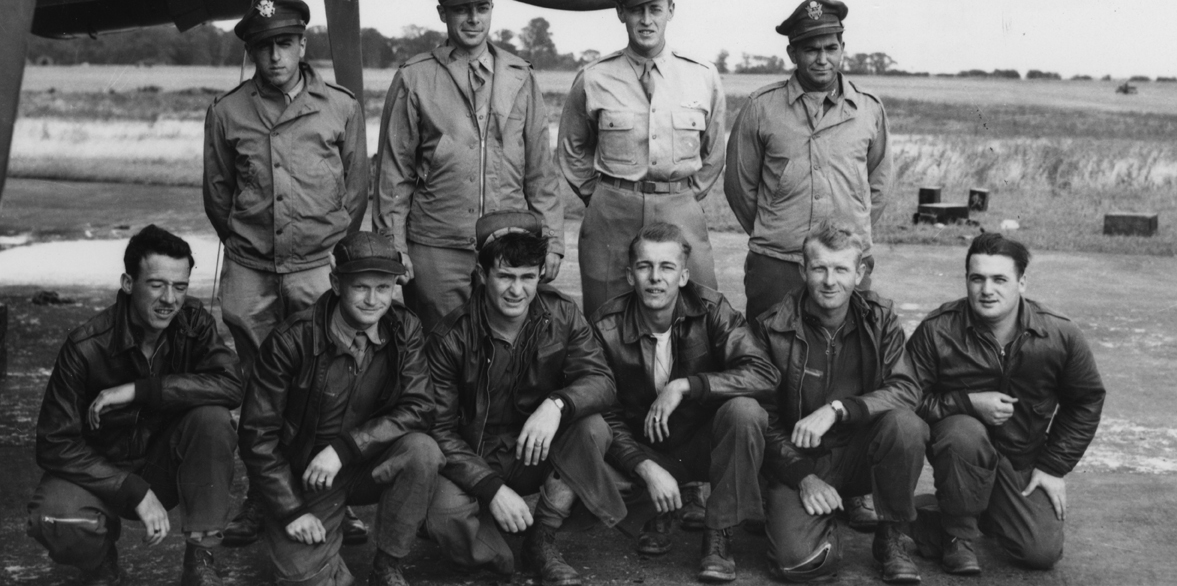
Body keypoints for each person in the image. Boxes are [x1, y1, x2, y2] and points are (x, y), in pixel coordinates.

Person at [204, 0, 369, 545]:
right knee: (258, 389)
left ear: (302, 44)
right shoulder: (228, 112)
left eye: (283, 44)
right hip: (251, 271)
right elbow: (218, 194)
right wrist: (247, 245)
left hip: (317, 269)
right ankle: (262, 497)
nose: (274, 57)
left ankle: (332, 496)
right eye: (262, 48)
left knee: (328, 381)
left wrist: (328, 255)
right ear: (251, 53)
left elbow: (355, 189)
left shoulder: (340, 106)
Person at [26, 225, 243, 586]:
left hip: (164, 464)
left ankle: (201, 557)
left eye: (181, 286)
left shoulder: (194, 326)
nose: (170, 299)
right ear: (128, 283)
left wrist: (141, 390)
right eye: (157, 284)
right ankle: (101, 566)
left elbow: (231, 385)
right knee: (53, 519)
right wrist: (132, 488)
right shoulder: (86, 346)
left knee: (213, 420)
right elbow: (54, 443)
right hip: (100, 472)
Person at [424, 211, 625, 586]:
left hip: (533, 450)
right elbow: (437, 427)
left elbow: (601, 379)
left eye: (527, 277)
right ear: (482, 276)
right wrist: (490, 488)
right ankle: (496, 560)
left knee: (592, 428)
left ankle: (541, 540)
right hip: (474, 456)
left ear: (539, 276)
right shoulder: (450, 337)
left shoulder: (562, 314)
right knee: (444, 515)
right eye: (505, 277)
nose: (517, 291)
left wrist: (557, 405)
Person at [238, 231, 443, 586]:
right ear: (336, 283)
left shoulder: (404, 326)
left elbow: (420, 406)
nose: (373, 300)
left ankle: (387, 564)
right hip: (307, 476)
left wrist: (345, 448)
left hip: (366, 461)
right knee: (301, 579)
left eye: (383, 288)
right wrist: (290, 510)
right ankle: (327, 562)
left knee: (423, 451)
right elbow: (256, 435)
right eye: (361, 287)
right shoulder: (290, 340)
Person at [373, 0, 564, 330]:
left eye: (482, 8)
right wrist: (393, 246)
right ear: (443, 12)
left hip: (506, 248)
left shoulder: (520, 76)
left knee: (502, 350)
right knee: (438, 348)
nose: (473, 19)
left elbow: (541, 171)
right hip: (436, 248)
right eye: (462, 9)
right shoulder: (415, 78)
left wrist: (552, 240)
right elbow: (394, 174)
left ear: (492, 9)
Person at [905, 233, 1106, 575]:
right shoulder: (937, 330)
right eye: (977, 278)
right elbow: (907, 398)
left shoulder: (1058, 334)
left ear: (1022, 282)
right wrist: (967, 403)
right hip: (961, 454)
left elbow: (1086, 400)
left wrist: (1054, 465)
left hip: (1021, 460)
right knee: (963, 430)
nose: (987, 290)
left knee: (1040, 552)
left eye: (1000, 279)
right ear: (967, 280)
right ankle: (958, 537)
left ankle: (926, 513)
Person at [591, 223, 778, 583]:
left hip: (701, 444)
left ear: (683, 276)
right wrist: (643, 465)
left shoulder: (711, 310)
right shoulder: (605, 326)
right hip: (646, 447)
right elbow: (603, 411)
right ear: (630, 275)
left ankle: (719, 531)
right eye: (645, 267)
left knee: (745, 412)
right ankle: (654, 505)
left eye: (667, 268)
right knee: (589, 432)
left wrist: (686, 386)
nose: (655, 278)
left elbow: (763, 373)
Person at [752, 221, 925, 584]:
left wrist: (838, 409)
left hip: (860, 452)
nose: (830, 281)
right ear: (803, 270)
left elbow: (906, 388)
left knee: (906, 425)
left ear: (860, 273)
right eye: (820, 268)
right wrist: (804, 477)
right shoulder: (772, 328)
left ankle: (892, 535)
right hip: (799, 458)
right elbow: (763, 418)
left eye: (841, 269)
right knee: (799, 564)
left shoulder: (880, 318)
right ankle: (820, 528)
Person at [557, 0, 726, 317]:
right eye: (636, 10)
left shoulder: (703, 77)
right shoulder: (594, 77)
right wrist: (601, 195)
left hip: (680, 210)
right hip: (612, 214)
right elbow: (572, 148)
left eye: (655, 9)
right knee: (605, 319)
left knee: (697, 315)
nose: (646, 20)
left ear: (671, 10)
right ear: (621, 13)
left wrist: (684, 197)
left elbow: (713, 153)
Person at [724, 0, 891, 321]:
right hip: (779, 263)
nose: (822, 59)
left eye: (830, 48)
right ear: (793, 53)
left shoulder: (869, 109)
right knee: (767, 357)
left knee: (847, 355)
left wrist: (848, 238)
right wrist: (776, 232)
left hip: (846, 262)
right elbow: (739, 187)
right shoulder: (761, 107)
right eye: (811, 50)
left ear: (842, 47)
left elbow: (880, 186)